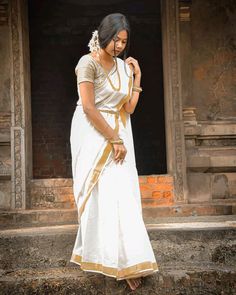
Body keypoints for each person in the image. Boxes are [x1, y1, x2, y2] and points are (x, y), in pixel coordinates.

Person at [70, 13, 158, 291]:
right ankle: (109, 258)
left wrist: (138, 78)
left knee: (124, 196)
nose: (120, 46)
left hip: (120, 132)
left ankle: (130, 260)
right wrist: (114, 140)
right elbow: (88, 107)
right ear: (104, 35)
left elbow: (128, 108)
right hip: (94, 133)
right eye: (116, 40)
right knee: (103, 195)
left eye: (124, 41)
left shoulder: (123, 67)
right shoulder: (88, 63)